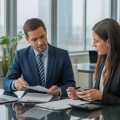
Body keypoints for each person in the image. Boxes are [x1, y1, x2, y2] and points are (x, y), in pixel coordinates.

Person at [3, 18, 75, 97]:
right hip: (30, 105)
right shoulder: (21, 55)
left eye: (42, 37)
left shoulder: (62, 55)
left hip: (55, 103)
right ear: (27, 39)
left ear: (46, 33)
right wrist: (15, 84)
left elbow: (70, 84)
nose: (40, 42)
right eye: (34, 40)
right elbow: (6, 82)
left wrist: (59, 91)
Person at [67, 18, 120, 105]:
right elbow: (99, 91)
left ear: (109, 42)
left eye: (97, 41)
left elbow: (102, 95)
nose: (93, 44)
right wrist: (81, 94)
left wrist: (100, 96)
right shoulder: (104, 62)